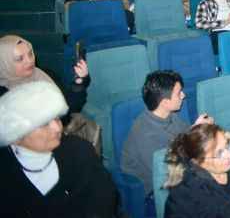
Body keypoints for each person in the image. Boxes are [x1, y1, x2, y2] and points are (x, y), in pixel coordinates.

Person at [0, 82, 119, 217]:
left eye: (56, 118)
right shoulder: (5, 177)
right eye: (45, 124)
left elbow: (104, 200)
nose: (58, 128)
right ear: (16, 136)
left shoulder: (79, 150)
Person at [121, 71, 214, 196]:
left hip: (179, 168)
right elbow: (169, 170)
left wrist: (198, 130)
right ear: (164, 102)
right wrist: (197, 133)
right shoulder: (145, 135)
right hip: (160, 187)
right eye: (178, 93)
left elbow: (184, 138)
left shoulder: (169, 115)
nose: (183, 95)